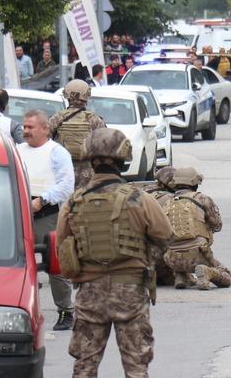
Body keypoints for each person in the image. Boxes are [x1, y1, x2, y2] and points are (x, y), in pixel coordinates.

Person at [56, 128, 173, 378]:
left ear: (90, 159)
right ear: (123, 159)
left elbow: (63, 248)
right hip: (129, 291)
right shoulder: (140, 199)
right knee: (136, 366)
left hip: (89, 293)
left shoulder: (74, 202)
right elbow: (165, 235)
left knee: (84, 366)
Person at [18, 109, 75, 330]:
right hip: (19, 213)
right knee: (18, 263)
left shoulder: (57, 152)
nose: (25, 131)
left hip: (46, 213)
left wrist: (41, 200)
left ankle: (65, 311)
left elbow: (66, 186)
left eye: (30, 127)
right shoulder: (17, 150)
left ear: (44, 129)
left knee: (55, 264)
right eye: (24, 127)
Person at [162, 167, 231, 290]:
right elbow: (217, 225)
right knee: (227, 278)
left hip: (171, 259)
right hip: (198, 255)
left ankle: (181, 275)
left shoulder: (167, 202)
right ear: (195, 183)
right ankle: (207, 272)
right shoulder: (202, 199)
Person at [49, 80, 106, 189]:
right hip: (87, 174)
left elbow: (45, 143)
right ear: (87, 96)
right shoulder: (94, 119)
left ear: (67, 96)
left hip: (62, 172)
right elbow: (103, 146)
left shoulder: (57, 118)